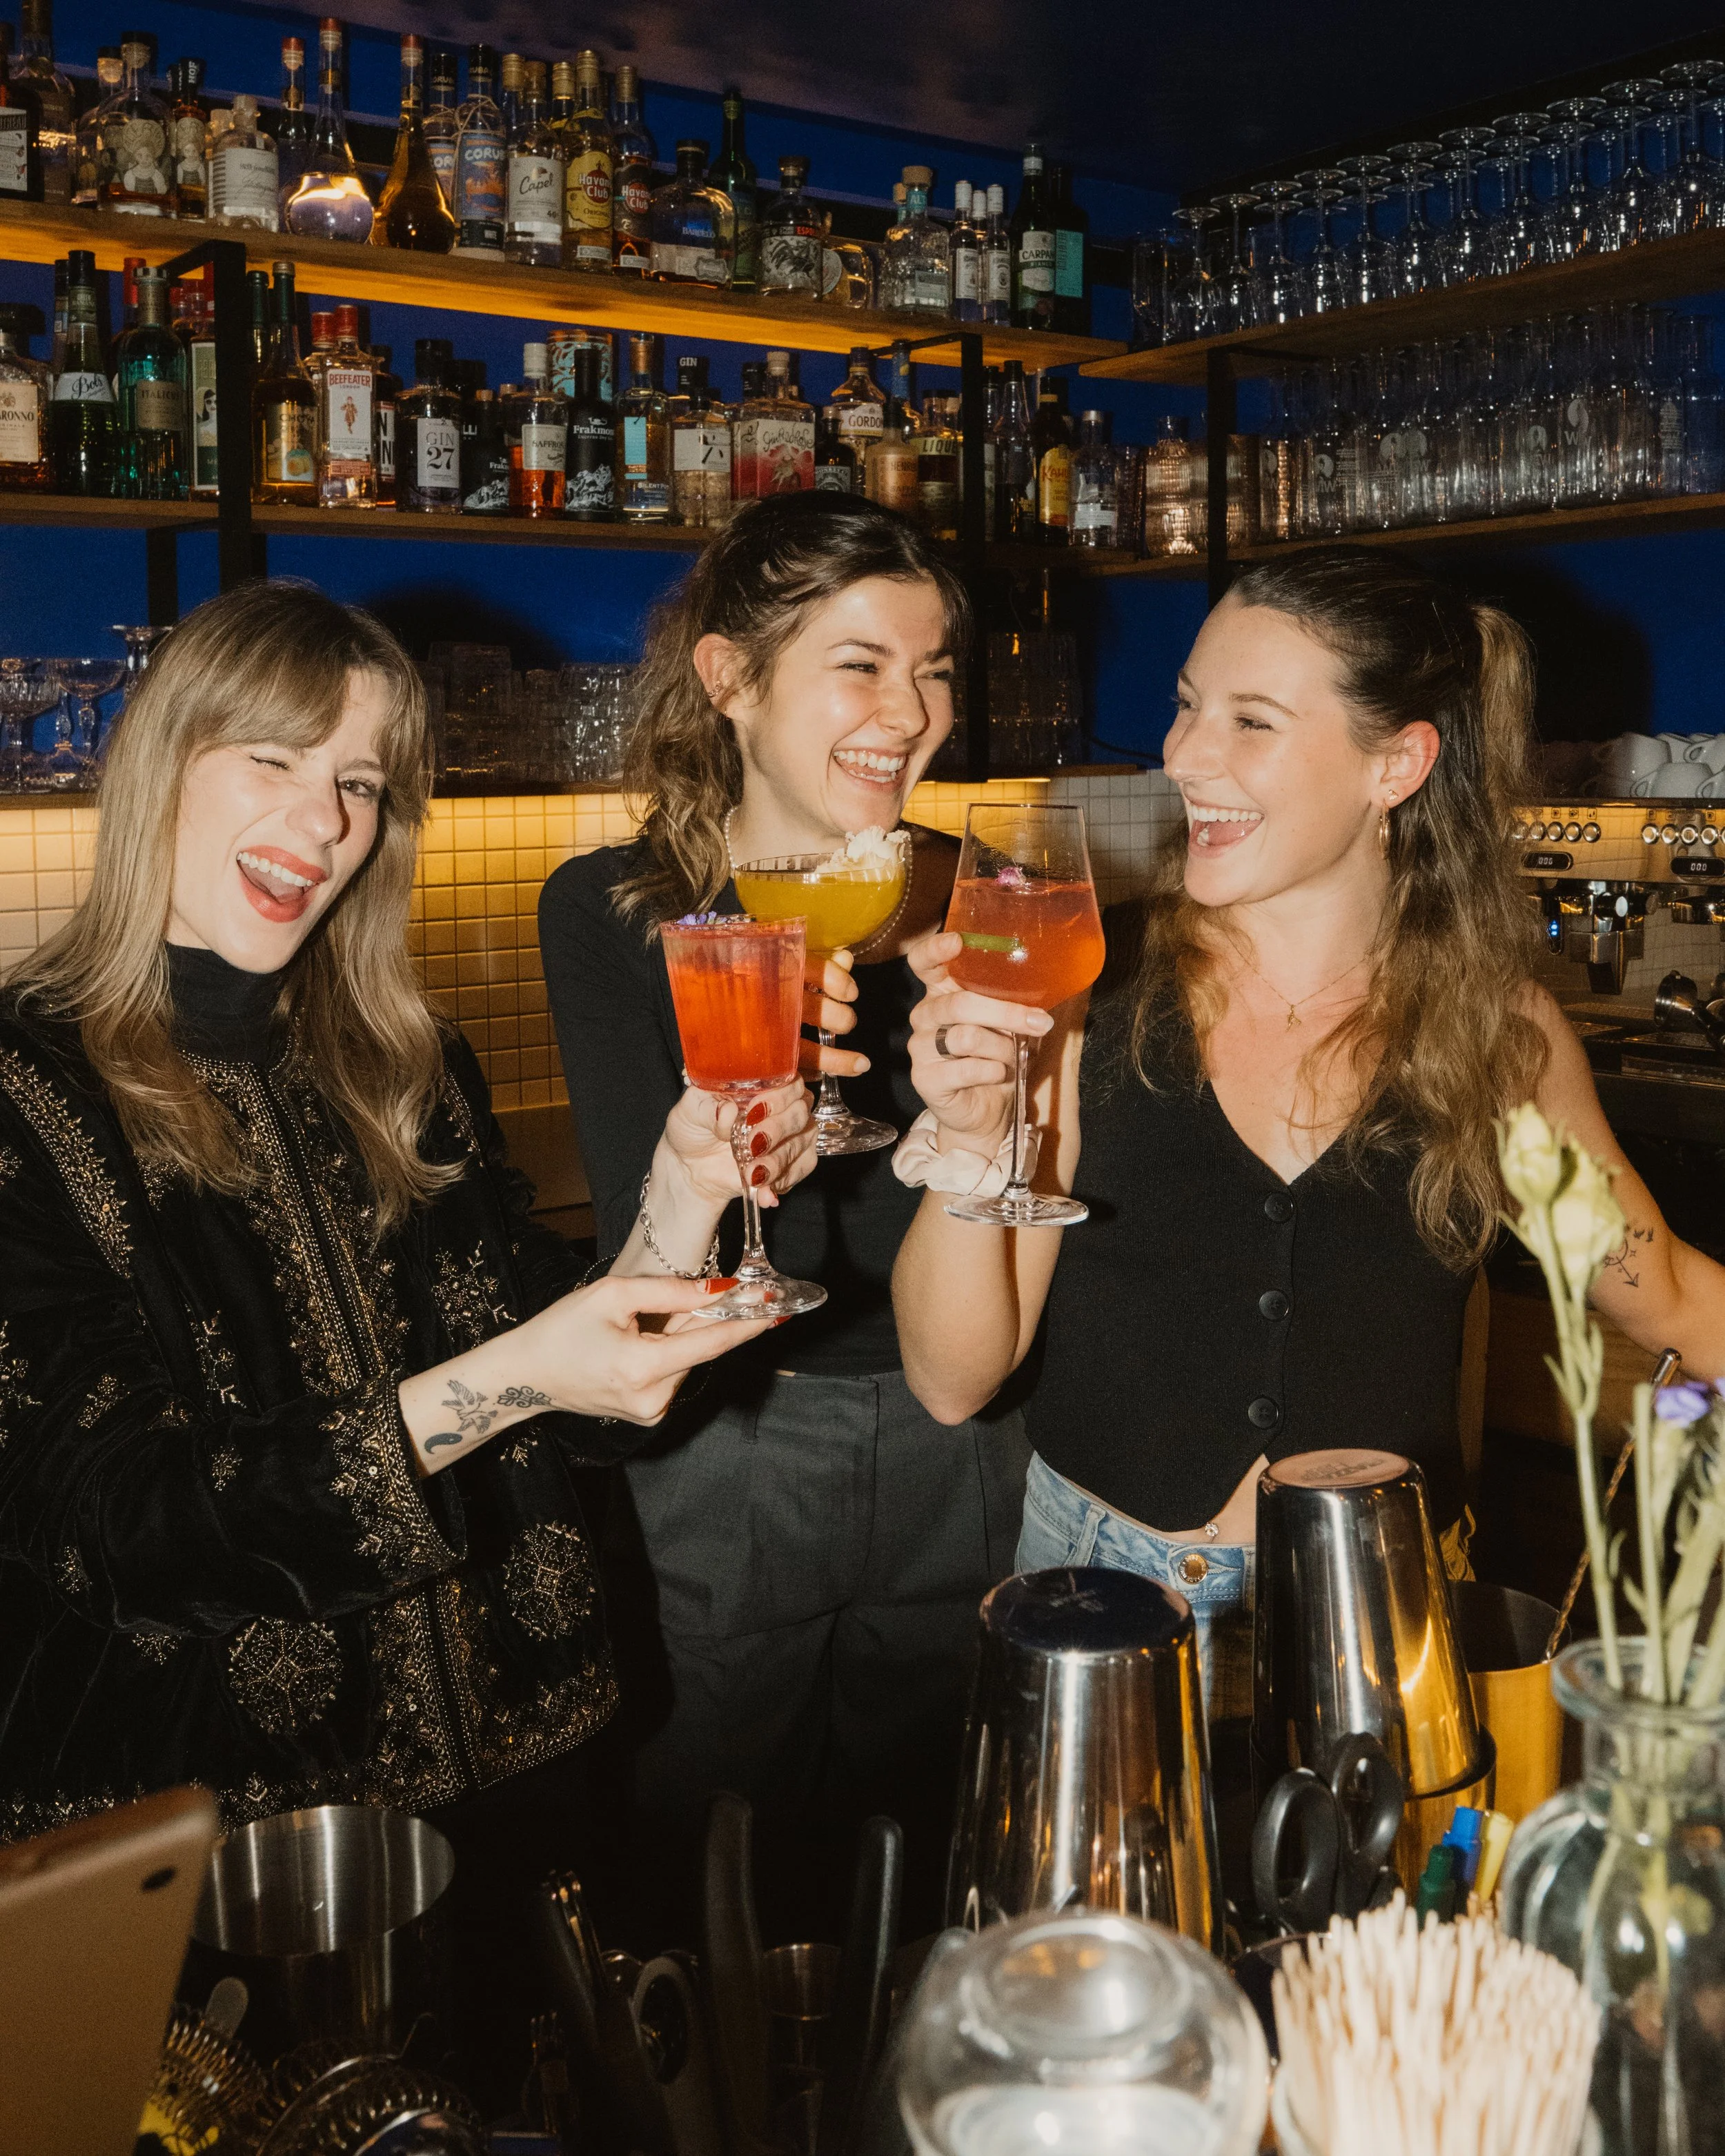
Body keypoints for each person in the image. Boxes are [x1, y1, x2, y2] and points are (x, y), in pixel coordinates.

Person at [0, 580, 812, 2093]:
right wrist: (517, 1372)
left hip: (531, 1788)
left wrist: (681, 1205)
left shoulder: (397, 1055)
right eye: (273, 759)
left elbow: (545, 1370)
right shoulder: (26, 1095)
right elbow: (125, 1528)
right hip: (235, 1863)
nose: (321, 823)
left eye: (359, 784)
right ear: (160, 757)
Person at [891, 547, 1725, 1714]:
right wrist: (973, 1138)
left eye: (1251, 720)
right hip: (1105, 1590)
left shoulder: (1500, 1042)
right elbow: (950, 1378)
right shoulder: (1082, 984)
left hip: (1387, 1603)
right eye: (1187, 706)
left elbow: (1667, 1294)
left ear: (1398, 763)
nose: (1184, 755)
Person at [539, 493, 1029, 1940]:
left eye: (933, 668)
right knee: (715, 1840)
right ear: (729, 679)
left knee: (927, 1823)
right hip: (737, 1433)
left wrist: (981, 1094)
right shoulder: (619, 908)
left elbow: (1028, 1188)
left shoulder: (978, 894)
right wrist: (753, 1107)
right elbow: (659, 1228)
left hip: (966, 1428)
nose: (912, 708)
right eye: (861, 664)